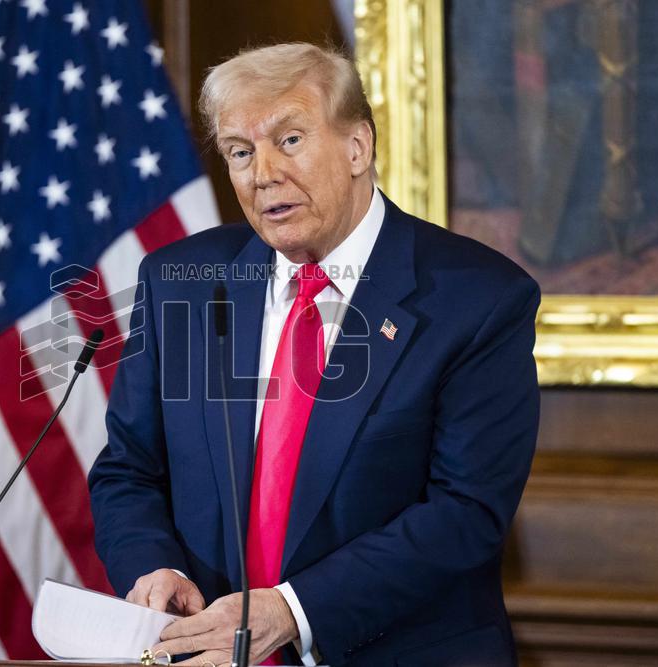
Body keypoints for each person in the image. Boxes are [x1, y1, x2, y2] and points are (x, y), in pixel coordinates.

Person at [88, 43, 540, 667]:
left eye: (290, 140)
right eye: (240, 152)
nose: (262, 173)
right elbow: (128, 468)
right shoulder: (180, 282)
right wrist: (154, 568)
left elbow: (466, 512)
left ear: (358, 147)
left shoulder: (479, 300)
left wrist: (293, 611)